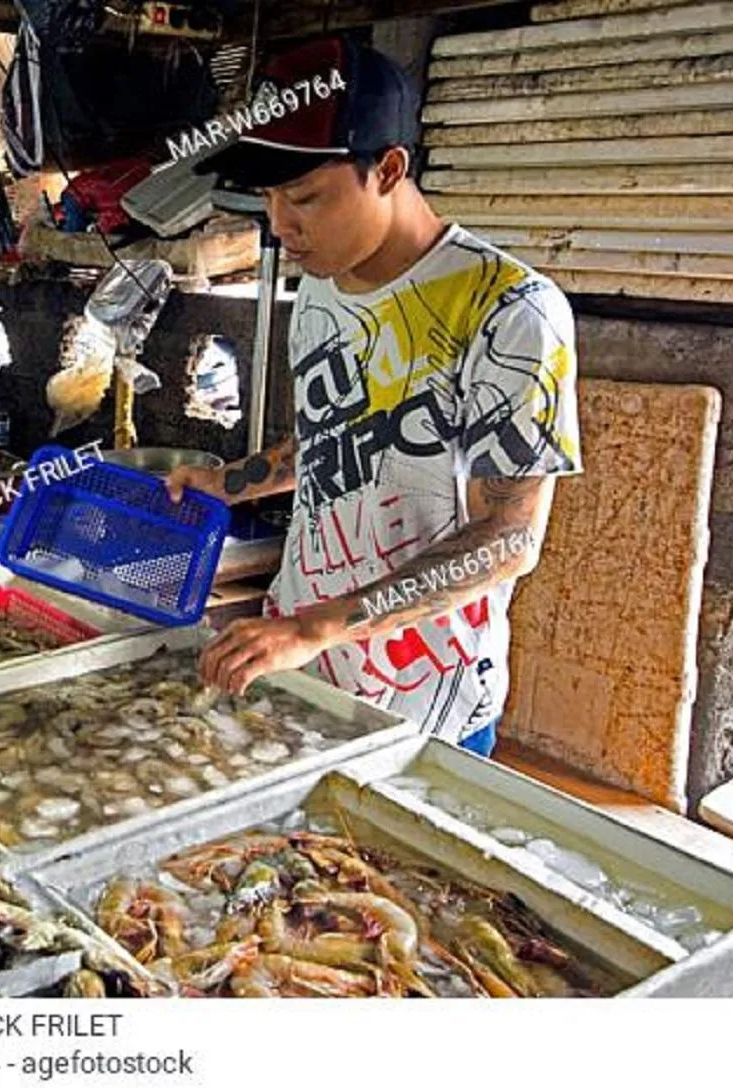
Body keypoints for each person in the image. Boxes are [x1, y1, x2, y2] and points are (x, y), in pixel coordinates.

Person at [167, 36, 581, 758]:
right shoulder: (325, 279)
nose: (279, 226)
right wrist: (229, 483)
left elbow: (510, 538)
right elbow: (343, 433)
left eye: (302, 197)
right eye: (266, 198)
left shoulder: (508, 309)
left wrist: (319, 625)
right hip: (302, 671)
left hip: (427, 698)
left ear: (389, 169)